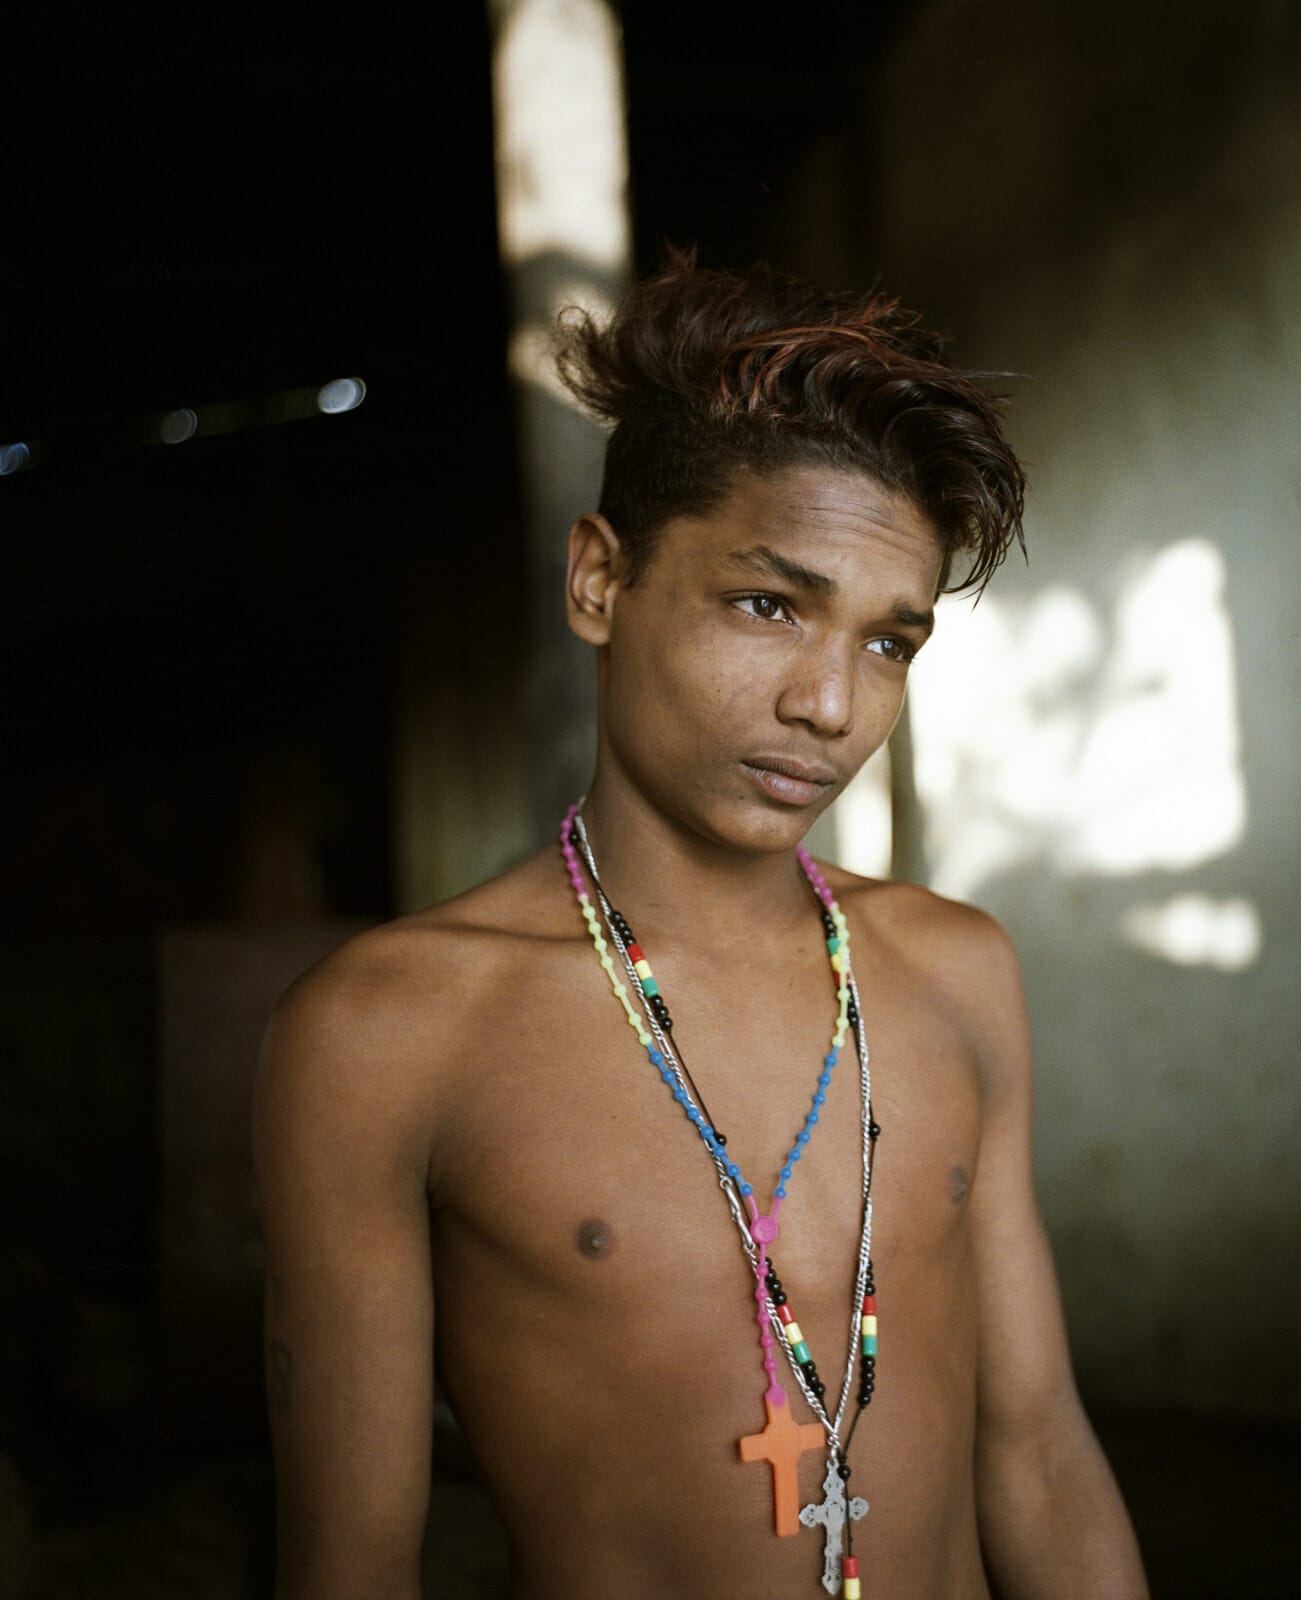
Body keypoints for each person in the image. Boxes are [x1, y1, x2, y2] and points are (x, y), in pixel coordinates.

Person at [253, 254, 1147, 1600]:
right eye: (769, 604)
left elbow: (1040, 1456)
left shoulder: (959, 970)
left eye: (889, 643)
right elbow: (351, 1570)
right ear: (603, 583)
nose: (830, 706)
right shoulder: (389, 1031)